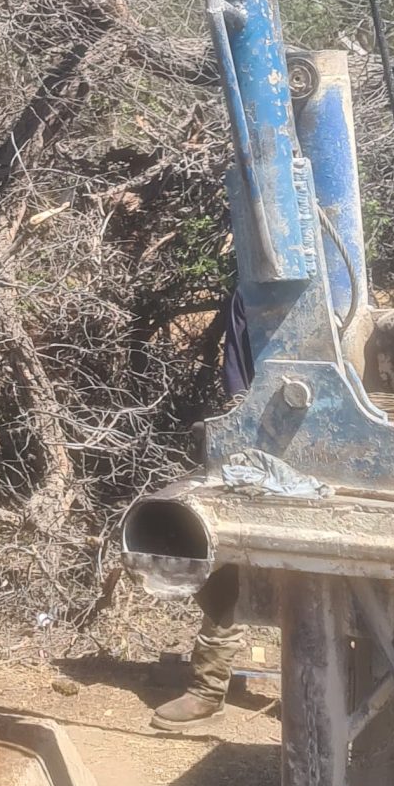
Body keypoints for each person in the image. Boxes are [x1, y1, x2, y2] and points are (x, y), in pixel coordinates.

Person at [150, 290, 252, 733]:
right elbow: (239, 386)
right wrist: (240, 427)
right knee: (222, 559)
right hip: (259, 442)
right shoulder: (250, 295)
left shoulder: (342, 296)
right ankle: (209, 688)